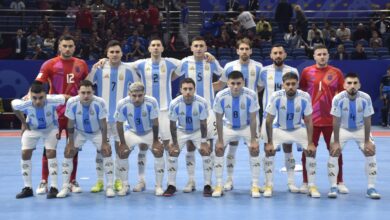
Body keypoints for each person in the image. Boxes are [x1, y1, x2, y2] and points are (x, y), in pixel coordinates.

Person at [35, 35, 89, 195]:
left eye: (70, 46)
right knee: (49, 148)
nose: (67, 49)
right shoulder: (49, 64)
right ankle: (44, 180)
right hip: (54, 113)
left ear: (74, 47)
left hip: (75, 113)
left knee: (73, 147)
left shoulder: (81, 64)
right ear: (59, 47)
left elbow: (87, 85)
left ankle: (72, 180)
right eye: (64, 46)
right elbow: (37, 85)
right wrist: (28, 96)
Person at [87, 40, 140, 193]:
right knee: (100, 150)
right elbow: (87, 84)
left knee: (121, 151)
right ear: (107, 53)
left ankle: (121, 181)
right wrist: (93, 68)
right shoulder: (99, 68)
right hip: (102, 119)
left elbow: (139, 89)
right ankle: (100, 181)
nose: (115, 54)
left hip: (121, 120)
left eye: (117, 51)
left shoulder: (128, 69)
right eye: (112, 52)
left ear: (122, 53)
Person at [213, 38, 262, 192]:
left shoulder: (258, 67)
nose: (244, 51)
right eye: (242, 49)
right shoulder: (229, 66)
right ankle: (227, 180)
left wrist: (246, 100)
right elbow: (221, 84)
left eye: (247, 48)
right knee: (230, 148)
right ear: (237, 51)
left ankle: (255, 183)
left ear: (251, 51)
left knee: (254, 149)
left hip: (250, 115)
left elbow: (260, 86)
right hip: (230, 117)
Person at [175, 36, 223, 193]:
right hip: (189, 108)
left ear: (206, 47)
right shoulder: (185, 62)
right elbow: (172, 76)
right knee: (190, 145)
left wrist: (211, 86)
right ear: (191, 48)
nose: (198, 48)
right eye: (195, 46)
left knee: (208, 146)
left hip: (208, 110)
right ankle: (190, 181)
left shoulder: (211, 61)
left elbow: (224, 79)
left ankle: (209, 182)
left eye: (201, 45)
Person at [299, 45, 347, 193]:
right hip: (311, 120)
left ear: (328, 56)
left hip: (331, 119)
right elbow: (301, 93)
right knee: (308, 151)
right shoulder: (306, 72)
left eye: (324, 54)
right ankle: (306, 182)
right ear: (314, 56)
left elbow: (342, 95)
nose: (322, 56)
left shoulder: (336, 73)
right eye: (319, 54)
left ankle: (339, 182)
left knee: (335, 151)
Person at [264, 72, 320, 198]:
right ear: (282, 85)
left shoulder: (305, 96)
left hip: (298, 128)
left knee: (311, 152)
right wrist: (269, 142)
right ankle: (269, 185)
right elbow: (269, 120)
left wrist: (311, 143)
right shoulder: (276, 96)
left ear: (298, 84)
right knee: (269, 152)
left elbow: (309, 120)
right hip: (280, 129)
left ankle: (311, 186)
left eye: (293, 84)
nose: (290, 87)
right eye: (287, 84)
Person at [57, 80, 115, 198]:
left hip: (97, 131)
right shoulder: (72, 102)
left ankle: (109, 186)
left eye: (89, 92)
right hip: (80, 132)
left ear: (93, 92)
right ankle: (65, 186)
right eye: (83, 92)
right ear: (78, 92)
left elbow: (104, 124)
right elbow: (70, 123)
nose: (86, 95)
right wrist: (71, 143)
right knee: (68, 153)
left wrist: (104, 143)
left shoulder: (100, 102)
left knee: (107, 152)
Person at [328, 73, 380, 199]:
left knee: (371, 151)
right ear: (344, 85)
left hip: (360, 128)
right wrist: (335, 141)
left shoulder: (365, 98)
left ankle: (371, 188)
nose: (352, 86)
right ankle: (333, 186)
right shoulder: (338, 99)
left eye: (355, 83)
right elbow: (335, 120)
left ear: (359, 85)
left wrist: (367, 141)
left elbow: (368, 120)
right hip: (342, 129)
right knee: (334, 152)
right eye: (349, 83)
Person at [13, 81, 66, 199]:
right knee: (25, 153)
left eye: (41, 98)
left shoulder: (54, 99)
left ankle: (54, 187)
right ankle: (28, 188)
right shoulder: (24, 102)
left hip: (51, 128)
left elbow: (68, 98)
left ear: (46, 95)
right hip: (32, 128)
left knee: (50, 152)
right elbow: (14, 107)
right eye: (34, 98)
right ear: (30, 95)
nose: (37, 101)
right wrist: (23, 122)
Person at [259, 44, 299, 192]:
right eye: (275, 53)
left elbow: (294, 92)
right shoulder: (264, 71)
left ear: (285, 55)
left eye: (280, 53)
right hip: (269, 117)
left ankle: (291, 183)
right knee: (269, 149)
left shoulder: (293, 71)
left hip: (287, 116)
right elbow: (258, 88)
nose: (278, 55)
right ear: (271, 55)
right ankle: (268, 183)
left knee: (288, 148)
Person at [163, 78, 213, 197]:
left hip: (197, 131)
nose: (188, 92)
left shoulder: (202, 102)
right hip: (181, 130)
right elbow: (172, 124)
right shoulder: (174, 103)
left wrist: (204, 142)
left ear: (194, 89)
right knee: (172, 153)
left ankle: (207, 185)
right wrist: (174, 142)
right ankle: (171, 185)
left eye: (190, 89)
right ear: (180, 90)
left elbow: (203, 123)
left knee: (206, 152)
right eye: (185, 89)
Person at [114, 82, 164, 196]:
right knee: (122, 153)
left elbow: (155, 122)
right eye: (134, 95)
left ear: (144, 94)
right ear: (129, 94)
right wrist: (122, 143)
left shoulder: (152, 102)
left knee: (158, 151)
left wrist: (156, 141)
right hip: (132, 132)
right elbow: (119, 124)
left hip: (149, 132)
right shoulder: (122, 104)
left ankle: (158, 186)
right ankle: (125, 185)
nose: (137, 99)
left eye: (140, 95)